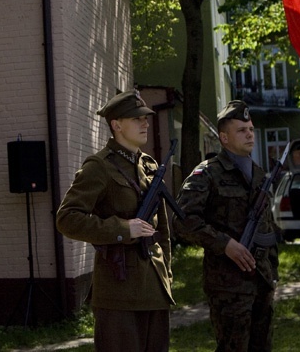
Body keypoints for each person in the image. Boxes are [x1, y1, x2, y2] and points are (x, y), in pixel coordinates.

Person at [56, 90, 174, 352]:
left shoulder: (151, 166)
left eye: (145, 117)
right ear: (117, 125)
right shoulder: (99, 167)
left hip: (154, 289)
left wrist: (167, 275)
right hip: (118, 293)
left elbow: (162, 230)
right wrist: (122, 229)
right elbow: (67, 218)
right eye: (136, 118)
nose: (145, 123)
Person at [173, 100, 279, 352]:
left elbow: (267, 228)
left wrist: (273, 272)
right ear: (224, 137)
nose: (250, 134)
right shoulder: (207, 174)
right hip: (228, 285)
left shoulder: (260, 175)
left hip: (262, 281)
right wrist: (224, 244)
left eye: (251, 129)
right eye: (242, 130)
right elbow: (183, 220)